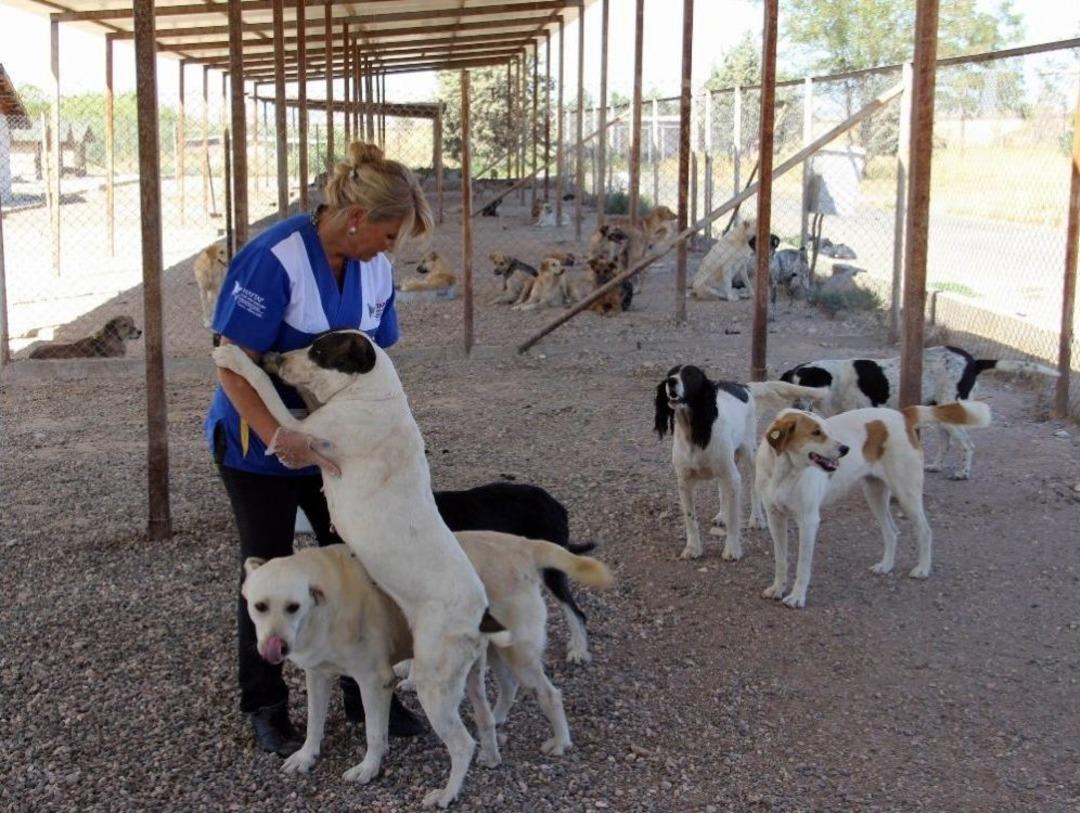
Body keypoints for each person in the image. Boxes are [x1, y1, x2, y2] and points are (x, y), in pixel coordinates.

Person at [204, 141, 433, 756]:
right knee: (270, 563)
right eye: (388, 234)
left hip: (336, 443)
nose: (391, 249)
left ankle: (368, 691)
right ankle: (266, 702)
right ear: (357, 219)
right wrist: (281, 434)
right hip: (259, 444)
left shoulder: (375, 268)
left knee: (357, 562)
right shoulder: (273, 258)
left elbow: (376, 356)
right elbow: (232, 364)